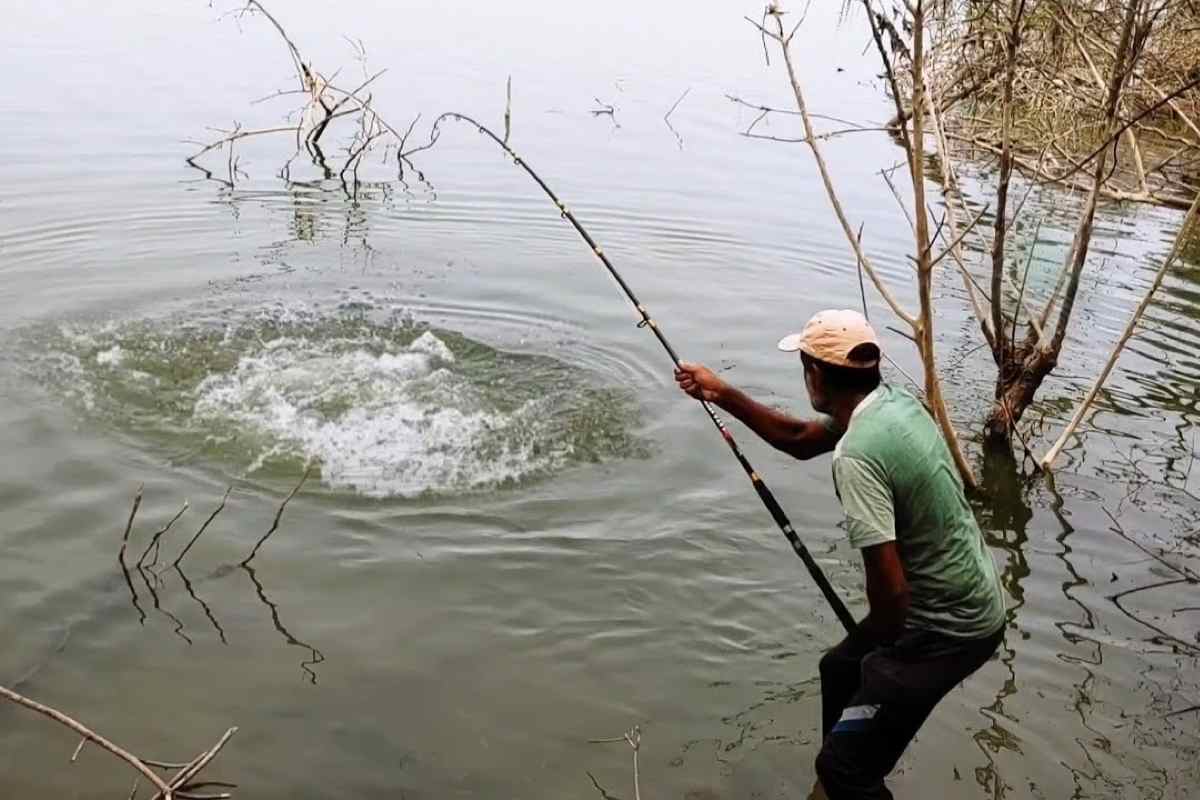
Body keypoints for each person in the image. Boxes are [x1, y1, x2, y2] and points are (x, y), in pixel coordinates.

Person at [674, 309, 1005, 800]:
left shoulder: (857, 455)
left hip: (947, 631)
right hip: (972, 602)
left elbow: (892, 599)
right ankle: (849, 762)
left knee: (846, 769)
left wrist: (878, 653)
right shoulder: (893, 404)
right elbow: (799, 440)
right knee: (840, 668)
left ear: (814, 373)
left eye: (804, 365)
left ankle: (845, 774)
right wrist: (721, 393)